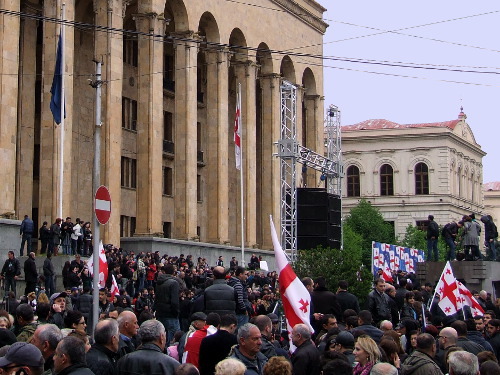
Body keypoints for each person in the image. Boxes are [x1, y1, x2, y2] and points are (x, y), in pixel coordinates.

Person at [155, 264, 180, 344]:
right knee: (173, 341)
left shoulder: (158, 283)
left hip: (160, 313)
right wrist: (176, 313)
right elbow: (174, 302)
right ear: (173, 272)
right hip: (171, 315)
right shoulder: (174, 283)